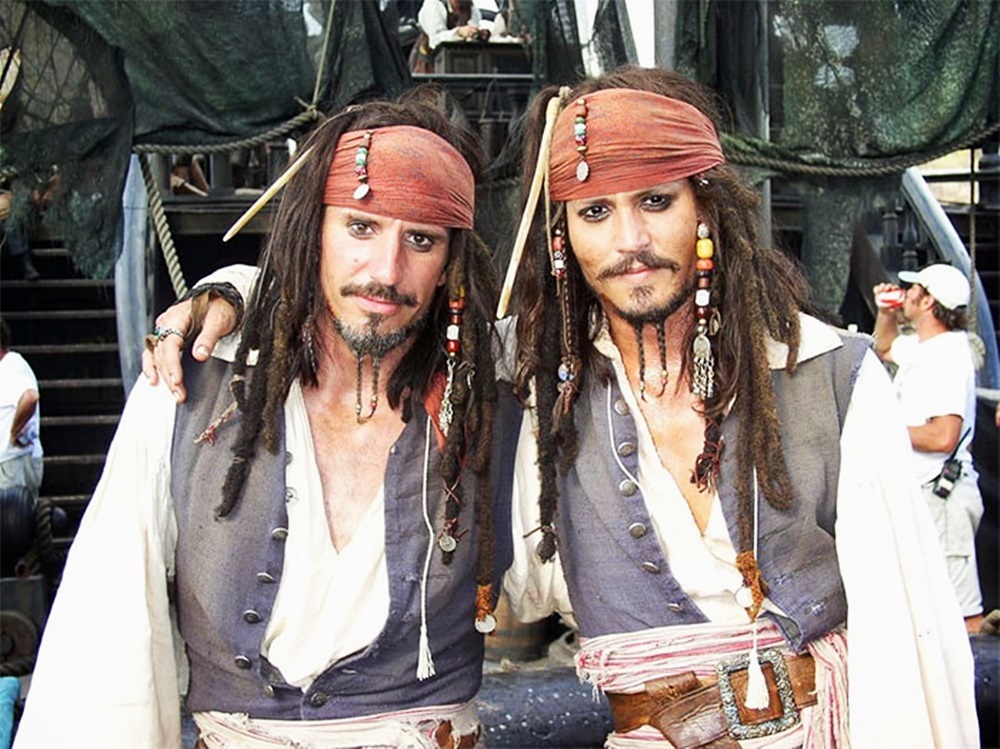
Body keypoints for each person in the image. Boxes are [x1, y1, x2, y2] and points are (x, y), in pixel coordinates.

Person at [142, 67, 980, 747]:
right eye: (595, 212)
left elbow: (915, 641)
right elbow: (385, 311)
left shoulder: (828, 375)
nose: (629, 241)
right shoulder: (530, 375)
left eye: (657, 201)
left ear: (708, 209)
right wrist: (241, 294)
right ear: (563, 237)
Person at [13, 96, 520, 748]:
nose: (385, 271)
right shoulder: (190, 387)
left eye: (420, 239)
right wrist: (241, 287)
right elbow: (109, 630)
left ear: (450, 261)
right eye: (361, 227)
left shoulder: (495, 392)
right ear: (313, 233)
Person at [873, 264, 985, 634]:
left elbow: (942, 437)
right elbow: (884, 347)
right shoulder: (925, 347)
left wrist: (881, 428)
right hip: (925, 492)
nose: (905, 293)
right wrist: (886, 313)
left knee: (961, 611)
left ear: (928, 301)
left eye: (913, 289)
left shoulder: (948, 357)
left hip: (943, 496)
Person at [0, 318, 42, 504]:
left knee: (13, 517)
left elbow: (30, 397)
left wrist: (14, 432)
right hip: (8, 462)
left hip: (13, 462)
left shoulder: (13, 364)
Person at [410, 0, 487, 74]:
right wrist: (458, 33)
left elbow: (472, 32)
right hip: (428, 65)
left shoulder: (470, 7)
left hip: (460, 64)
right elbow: (435, 40)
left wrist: (478, 34)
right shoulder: (434, 4)